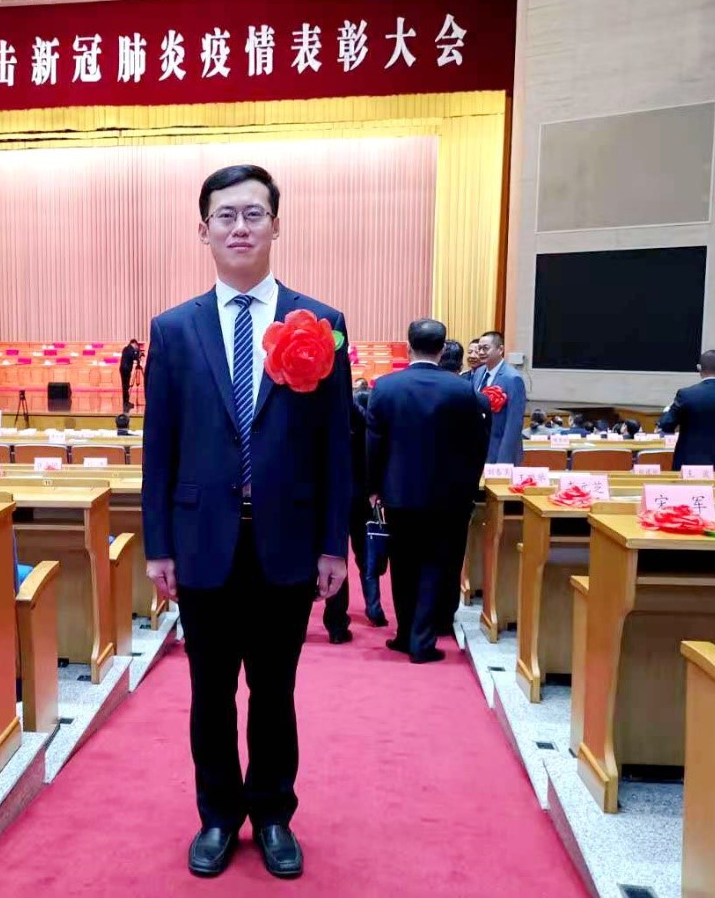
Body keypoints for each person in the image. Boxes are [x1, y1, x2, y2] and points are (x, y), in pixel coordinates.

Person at [142, 164, 350, 880]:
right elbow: (160, 446)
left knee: (274, 691)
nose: (239, 227)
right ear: (203, 229)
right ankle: (216, 816)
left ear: (275, 225)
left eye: (253, 214)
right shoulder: (173, 329)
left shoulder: (321, 324)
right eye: (225, 216)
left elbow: (335, 445)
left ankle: (272, 815)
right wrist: (158, 545)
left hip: (286, 541)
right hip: (202, 543)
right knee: (209, 693)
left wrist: (333, 543)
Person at [366, 319, 490, 664]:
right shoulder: (463, 390)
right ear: (442, 348)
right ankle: (423, 639)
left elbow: (374, 444)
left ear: (409, 347)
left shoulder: (385, 387)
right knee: (436, 564)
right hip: (448, 496)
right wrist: (468, 486)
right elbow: (476, 447)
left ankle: (405, 634)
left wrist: (373, 487)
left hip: (399, 493)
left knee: (403, 564)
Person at [323, 386, 387, 641]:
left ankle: (336, 624)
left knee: (333, 556)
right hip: (362, 497)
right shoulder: (368, 426)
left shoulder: (328, 420)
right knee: (366, 557)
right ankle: (374, 609)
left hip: (331, 498)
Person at [657, 350, 715, 471]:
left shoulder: (685, 395)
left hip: (688, 464)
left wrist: (669, 409)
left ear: (699, 368)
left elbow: (666, 425)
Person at [474, 330, 526, 464]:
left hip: (499, 448)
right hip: (478, 448)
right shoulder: (479, 372)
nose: (481, 352)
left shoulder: (512, 378)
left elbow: (514, 423)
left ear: (500, 349)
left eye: (486, 348)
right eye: (479, 348)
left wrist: (504, 460)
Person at [120, 338, 141, 412]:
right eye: (136, 346)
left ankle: (126, 402)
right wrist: (137, 352)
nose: (136, 347)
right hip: (126, 369)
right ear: (134, 344)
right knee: (125, 386)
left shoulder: (126, 349)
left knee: (126, 386)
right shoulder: (130, 349)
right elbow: (134, 357)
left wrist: (137, 352)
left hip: (124, 369)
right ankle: (125, 403)